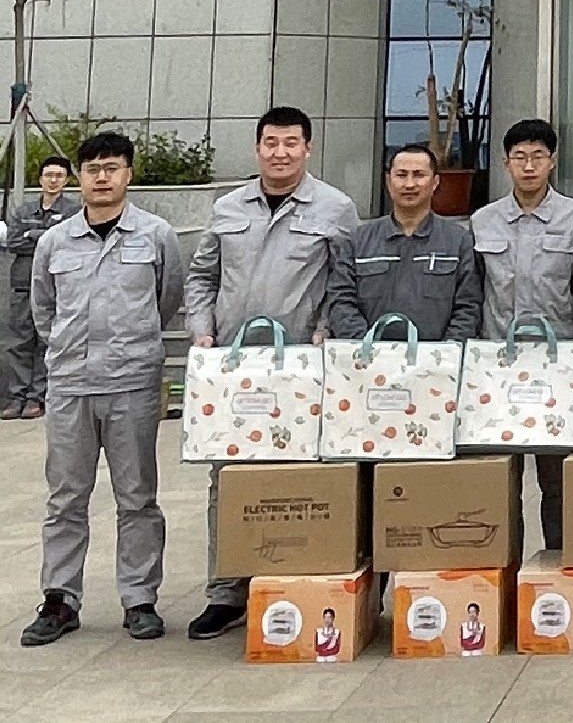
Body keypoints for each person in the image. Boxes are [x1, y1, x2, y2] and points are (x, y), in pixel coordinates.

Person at [185, 106, 359, 641]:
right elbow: (202, 275)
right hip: (234, 366)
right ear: (258, 147)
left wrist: (327, 329)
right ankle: (226, 591)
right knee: (228, 478)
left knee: (300, 474)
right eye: (271, 143)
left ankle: (292, 576)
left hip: (301, 366)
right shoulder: (228, 207)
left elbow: (344, 281)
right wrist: (201, 329)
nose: (280, 153)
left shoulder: (335, 208)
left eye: (291, 143)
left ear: (308, 148)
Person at [21, 131, 184, 647]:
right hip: (71, 386)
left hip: (132, 384)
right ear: (79, 177)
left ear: (128, 174)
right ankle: (59, 599)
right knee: (65, 498)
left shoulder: (156, 235)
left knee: (136, 497)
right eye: (92, 169)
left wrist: (130, 349)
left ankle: (139, 599)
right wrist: (67, 352)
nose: (101, 177)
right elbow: (43, 310)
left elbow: (168, 300)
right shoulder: (54, 242)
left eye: (111, 167)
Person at [469, 117, 573, 551]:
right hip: (499, 366)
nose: (529, 166)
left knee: (559, 481)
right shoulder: (483, 221)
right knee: (500, 480)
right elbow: (475, 289)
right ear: (506, 163)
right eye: (520, 157)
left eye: (538, 156)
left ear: (552, 161)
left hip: (558, 367)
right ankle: (506, 573)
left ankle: (558, 568)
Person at [327, 144, 481, 343]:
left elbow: (469, 306)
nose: (409, 184)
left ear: (435, 182)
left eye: (418, 175)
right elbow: (341, 301)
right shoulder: (357, 240)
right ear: (388, 181)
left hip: (437, 359)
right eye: (401, 175)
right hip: (368, 357)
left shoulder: (458, 241)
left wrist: (444, 353)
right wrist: (369, 348)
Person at [1, 156, 78, 419]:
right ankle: (17, 397)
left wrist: (32, 235)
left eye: (59, 176)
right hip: (22, 285)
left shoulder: (73, 212)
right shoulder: (23, 211)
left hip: (55, 286)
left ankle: (38, 397)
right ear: (40, 179)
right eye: (48, 175)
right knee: (18, 342)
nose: (53, 180)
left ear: (66, 180)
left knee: (47, 342)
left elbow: (65, 243)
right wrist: (44, 236)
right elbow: (13, 242)